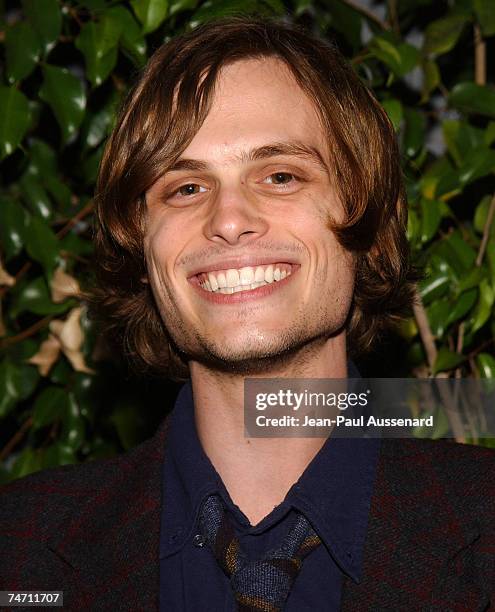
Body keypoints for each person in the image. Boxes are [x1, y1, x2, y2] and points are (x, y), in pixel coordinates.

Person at [1, 17, 494, 612]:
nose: (229, 219)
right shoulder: (18, 548)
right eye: (184, 188)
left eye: (281, 176)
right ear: (141, 251)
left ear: (369, 231)